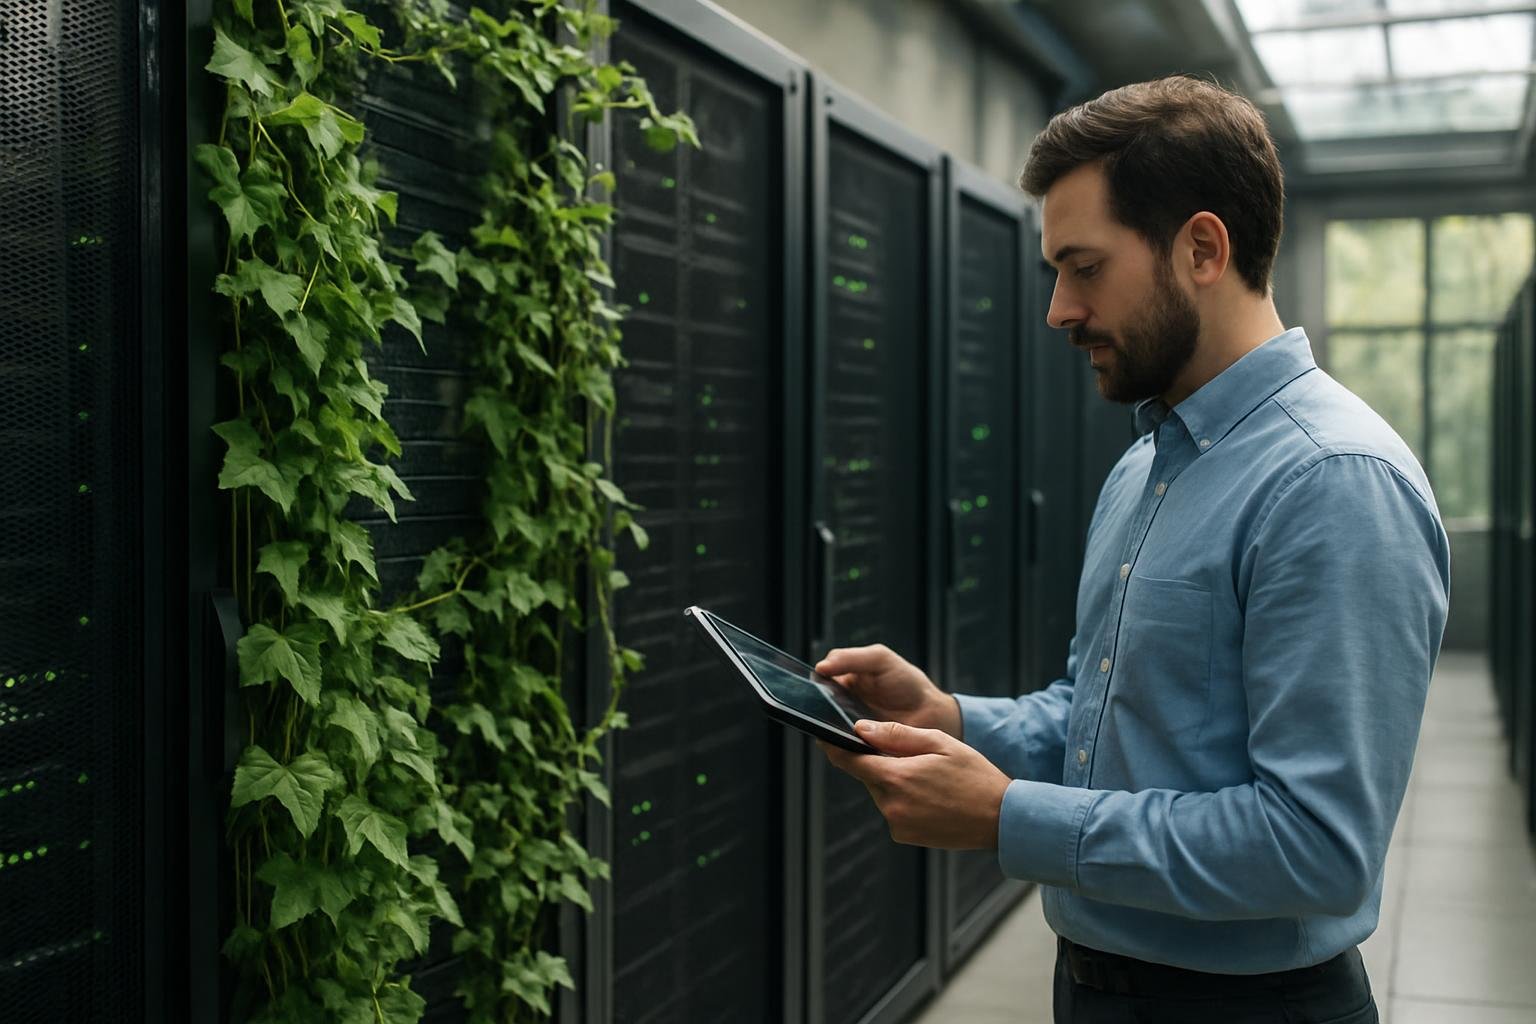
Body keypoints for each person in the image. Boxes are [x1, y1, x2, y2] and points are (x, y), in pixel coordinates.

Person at [817, 75, 1449, 1024]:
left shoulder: (1332, 482)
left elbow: (1316, 845)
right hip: (1098, 985)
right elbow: (1107, 714)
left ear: (1201, 248)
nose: (1059, 311)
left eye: (1084, 267)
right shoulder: (1149, 463)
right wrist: (953, 718)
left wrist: (1004, 816)